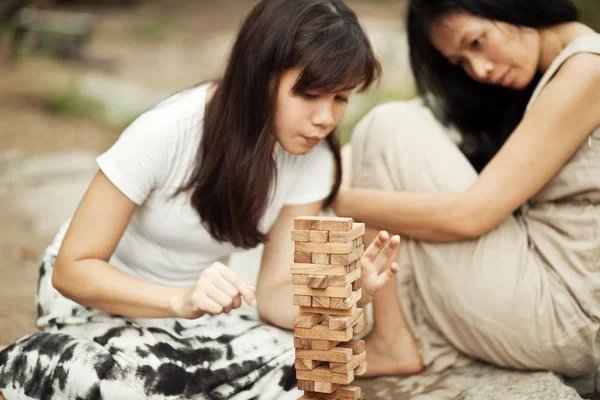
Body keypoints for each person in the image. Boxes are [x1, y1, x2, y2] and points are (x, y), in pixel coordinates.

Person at [0, 1, 400, 399]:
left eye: (341, 98)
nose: (326, 118)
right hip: (100, 304)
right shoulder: (167, 131)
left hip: (202, 319)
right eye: (310, 94)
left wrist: (341, 301)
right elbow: (72, 270)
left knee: (306, 368)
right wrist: (179, 300)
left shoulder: (315, 159)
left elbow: (274, 295)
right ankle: (26, 361)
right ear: (259, 76)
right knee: (141, 384)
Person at [334, 0, 600, 379]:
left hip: (564, 310)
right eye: (461, 62)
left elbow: (470, 215)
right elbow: (438, 116)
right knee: (393, 129)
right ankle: (401, 337)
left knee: (386, 125)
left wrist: (336, 198)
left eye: (476, 42)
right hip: (554, 300)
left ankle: (393, 341)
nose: (480, 70)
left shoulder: (589, 69)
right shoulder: (556, 71)